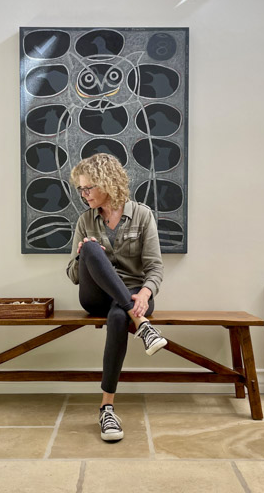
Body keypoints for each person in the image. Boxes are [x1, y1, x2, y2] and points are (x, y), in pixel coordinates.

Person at [66, 153, 167, 442]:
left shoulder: (142, 215)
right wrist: (84, 254)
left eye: (88, 188)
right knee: (91, 250)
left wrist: (146, 294)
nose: (83, 195)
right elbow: (73, 274)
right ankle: (144, 326)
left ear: (107, 183)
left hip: (135, 296)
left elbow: (155, 267)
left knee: (119, 316)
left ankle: (106, 408)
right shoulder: (85, 220)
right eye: (80, 189)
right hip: (95, 296)